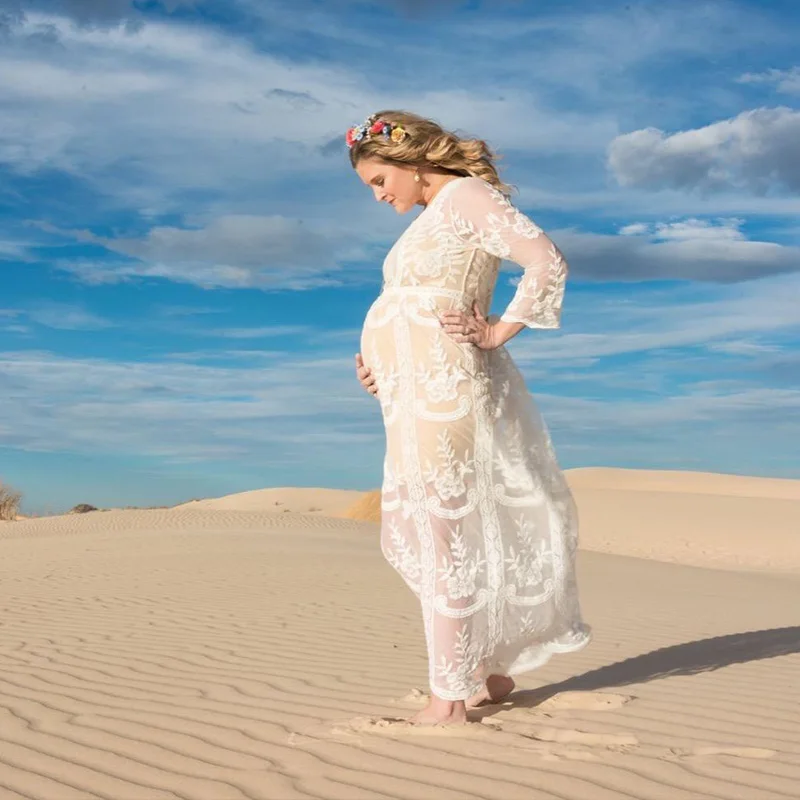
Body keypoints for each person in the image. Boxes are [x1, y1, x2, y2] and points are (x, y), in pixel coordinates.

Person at [350, 110, 591, 725]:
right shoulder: (434, 215)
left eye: (380, 181)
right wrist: (380, 365)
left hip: (446, 388)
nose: (378, 196)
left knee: (443, 533)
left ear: (411, 161)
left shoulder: (464, 196)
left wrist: (498, 330)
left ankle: (449, 699)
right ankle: (485, 671)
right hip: (412, 393)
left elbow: (546, 260)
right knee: (433, 532)